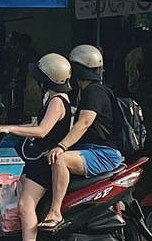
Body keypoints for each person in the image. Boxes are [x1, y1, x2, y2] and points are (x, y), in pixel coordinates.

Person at [0, 53, 72, 241]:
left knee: (25, 204)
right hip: (38, 160)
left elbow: (42, 131)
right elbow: (36, 125)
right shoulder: (53, 98)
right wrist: (7, 126)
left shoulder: (57, 101)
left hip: (43, 163)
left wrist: (9, 128)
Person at [39, 44, 123, 230]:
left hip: (103, 153)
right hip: (91, 150)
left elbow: (84, 123)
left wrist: (61, 146)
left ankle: (55, 212)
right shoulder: (89, 91)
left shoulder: (94, 92)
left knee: (59, 159)